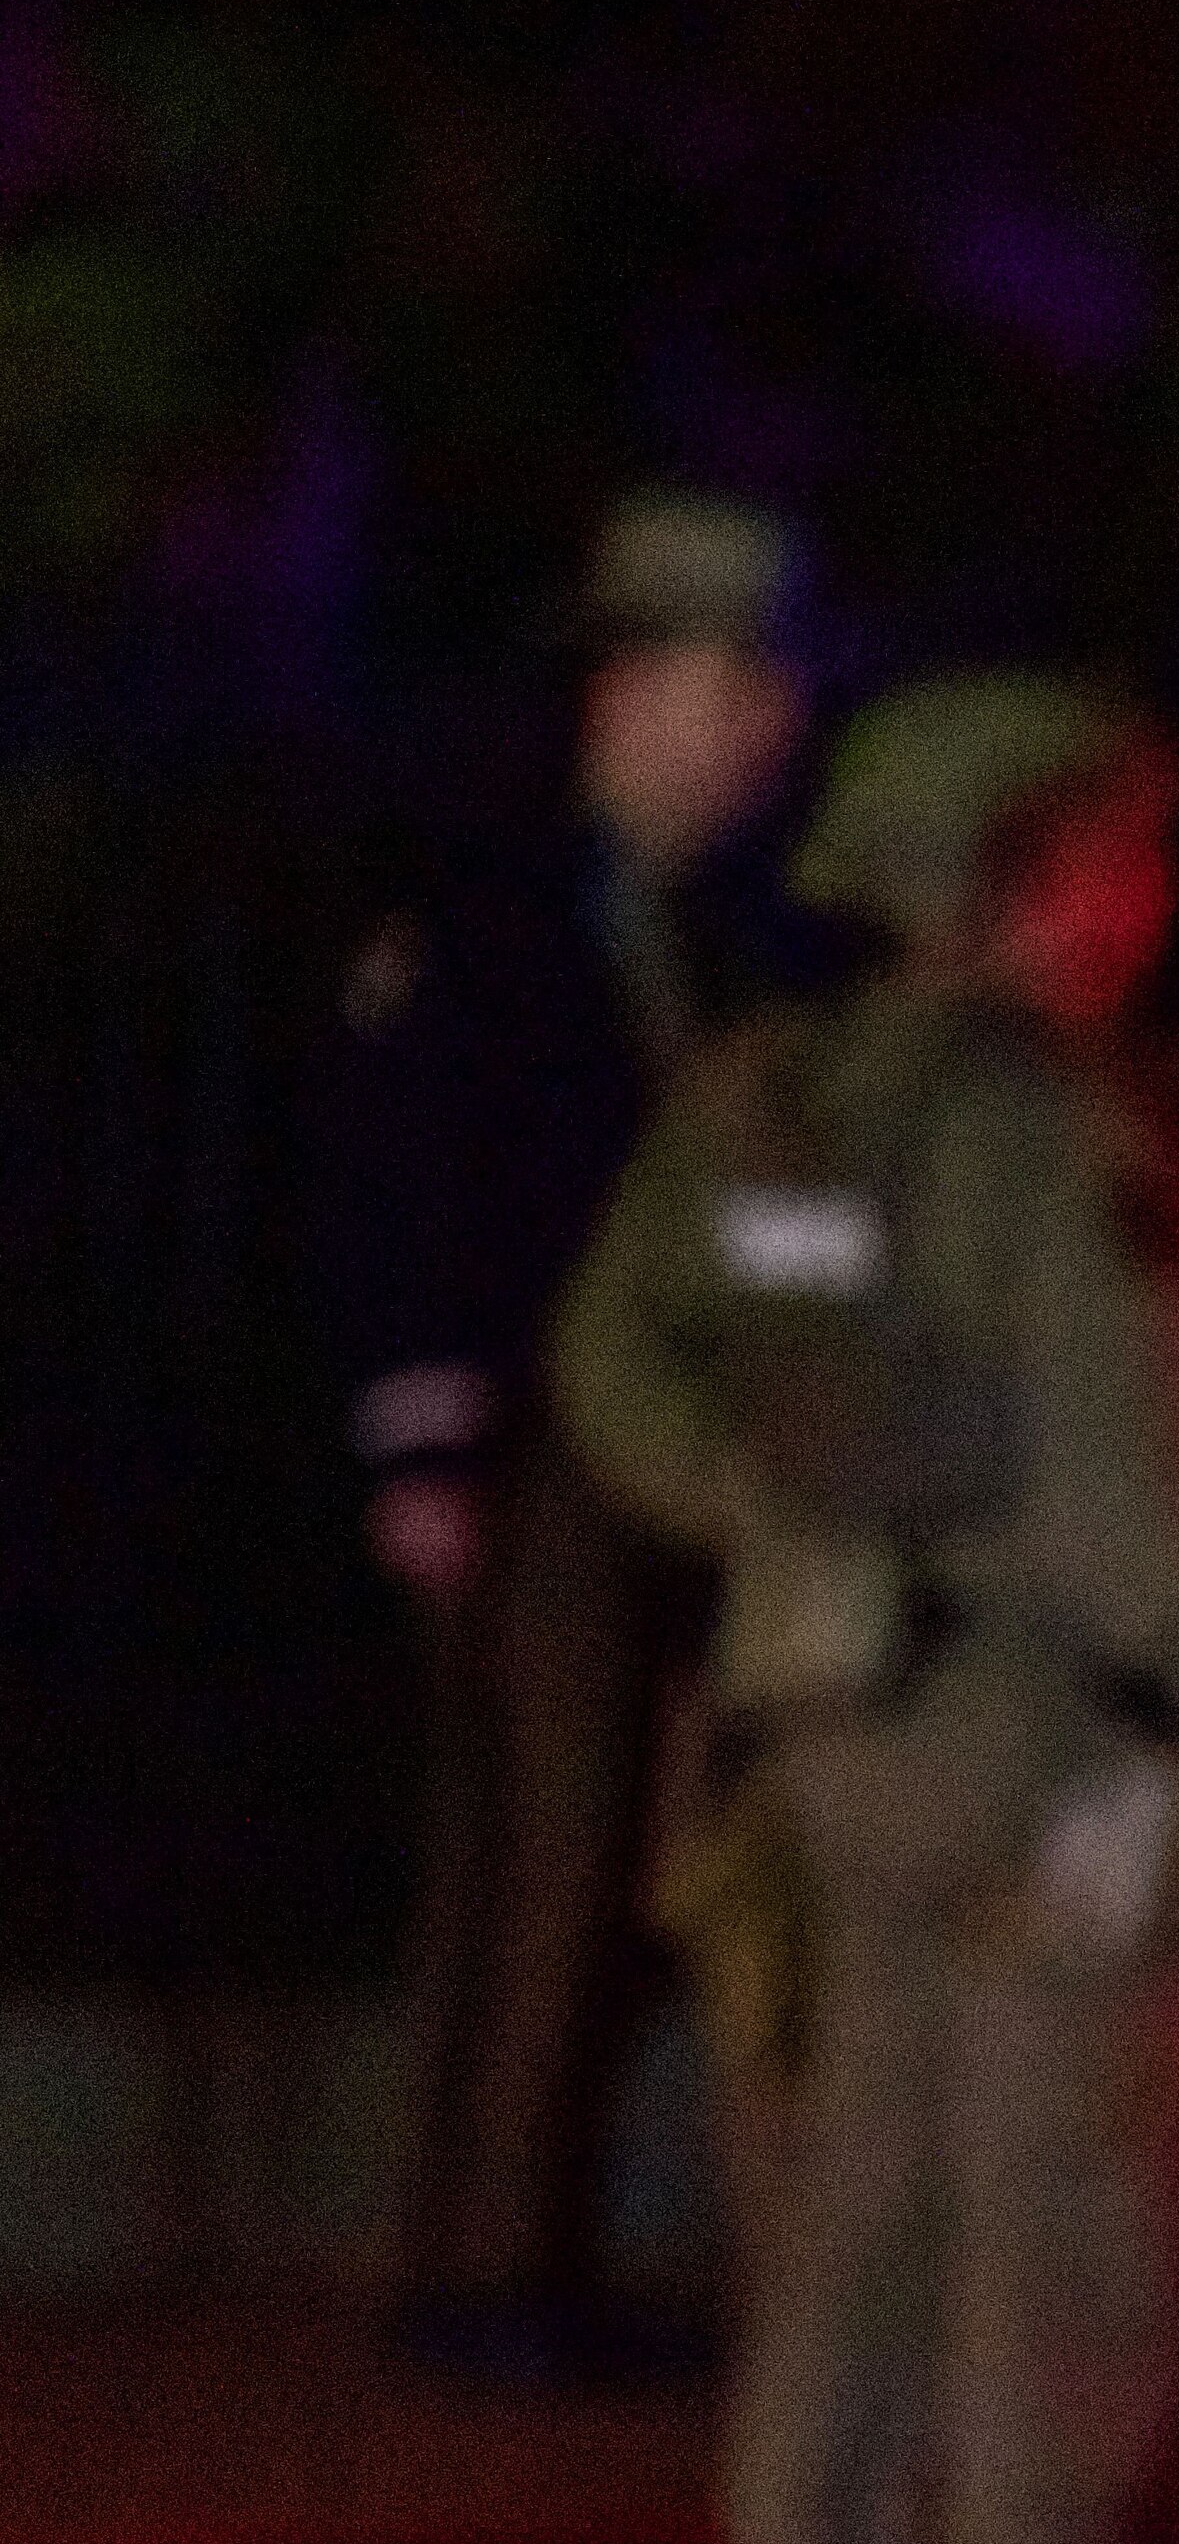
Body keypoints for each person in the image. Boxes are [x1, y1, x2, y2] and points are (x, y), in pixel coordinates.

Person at [551, 673, 1179, 2544]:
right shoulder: (1056, 1137)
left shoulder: (770, 1112)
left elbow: (618, 1369)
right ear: (1038, 874)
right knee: (1056, 2259)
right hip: (1063, 1755)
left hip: (826, 1751)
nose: (1147, 894)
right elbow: (1119, 1479)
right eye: (1123, 850)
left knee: (842, 2267)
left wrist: (796, 1530)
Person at [324, 488, 830, 2379]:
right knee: (540, 1850)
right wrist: (425, 1438)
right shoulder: (501, 913)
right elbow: (409, 1183)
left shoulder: (728, 935)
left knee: (633, 1852)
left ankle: (528, 2259)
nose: (764, 722)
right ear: (629, 690)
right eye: (730, 680)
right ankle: (483, 2273)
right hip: (546, 1443)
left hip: (683, 1447)